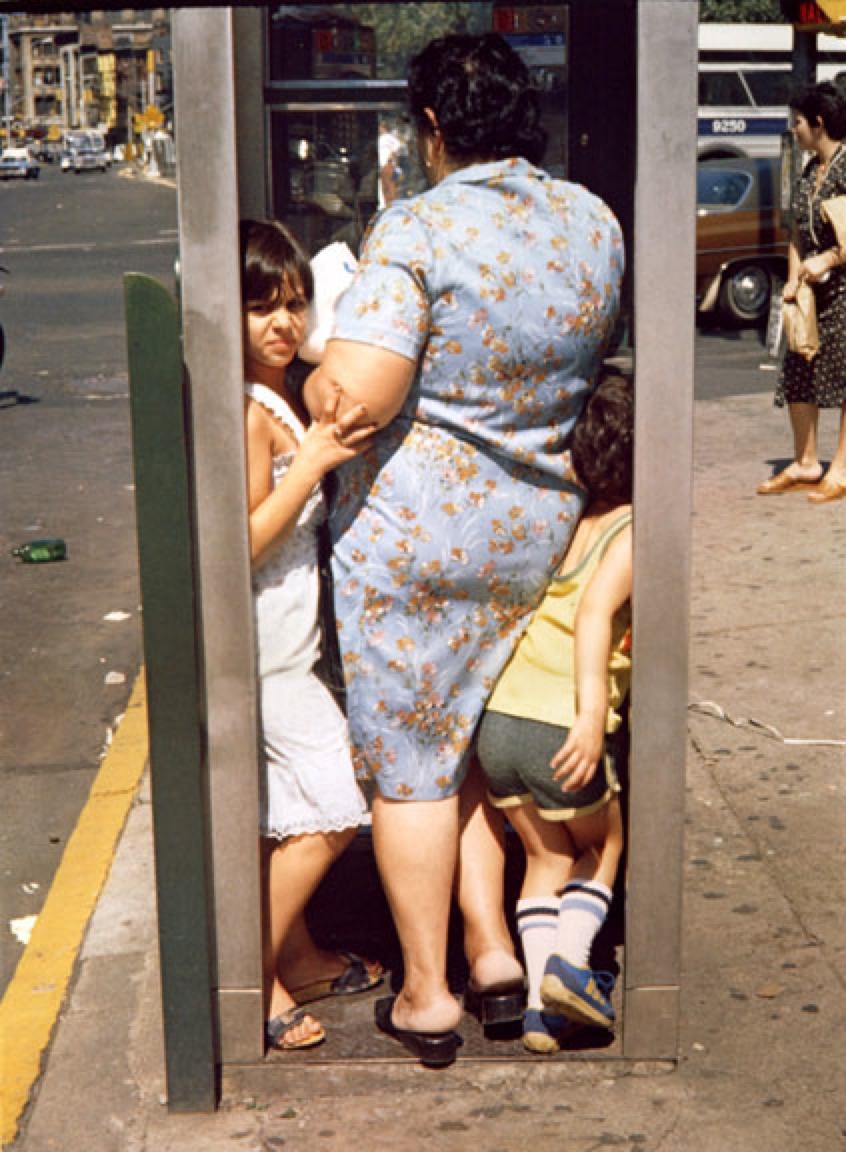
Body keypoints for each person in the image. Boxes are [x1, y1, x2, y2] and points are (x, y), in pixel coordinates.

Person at [304, 32, 623, 1068]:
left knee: (412, 768)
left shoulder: (420, 226)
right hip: (538, 529)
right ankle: (493, 952)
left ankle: (430, 993)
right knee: (478, 744)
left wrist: (323, 353)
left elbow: (358, 394)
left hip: (416, 541)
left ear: (432, 129)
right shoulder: (591, 220)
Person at [239, 219, 382, 1053]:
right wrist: (312, 463)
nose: (283, 324)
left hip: (291, 650)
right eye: (262, 308)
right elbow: (244, 538)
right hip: (263, 656)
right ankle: (251, 975)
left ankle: (300, 955)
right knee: (334, 805)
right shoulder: (252, 412)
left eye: (294, 304)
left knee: (291, 810)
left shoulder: (281, 395)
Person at [476, 373, 633, 1052]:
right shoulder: (634, 530)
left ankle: (544, 1014)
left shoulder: (573, 522)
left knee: (544, 858)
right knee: (604, 844)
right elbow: (596, 616)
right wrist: (591, 716)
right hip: (555, 724)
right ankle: (572, 966)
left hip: (502, 722)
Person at [758, 81, 846, 504]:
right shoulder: (811, 171)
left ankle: (842, 469)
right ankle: (806, 460)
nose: (794, 130)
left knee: (844, 378)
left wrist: (827, 261)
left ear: (819, 122)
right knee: (798, 369)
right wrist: (794, 279)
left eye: (798, 122)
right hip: (811, 292)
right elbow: (796, 233)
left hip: (843, 290)